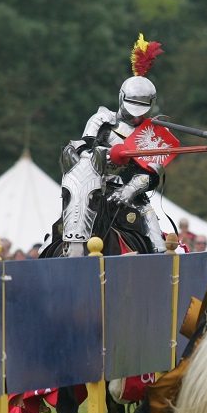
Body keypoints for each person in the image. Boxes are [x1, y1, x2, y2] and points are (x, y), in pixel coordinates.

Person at [60, 34, 167, 257]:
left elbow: (152, 174)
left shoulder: (153, 135)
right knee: (62, 227)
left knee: (157, 241)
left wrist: (129, 191)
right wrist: (104, 155)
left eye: (142, 107)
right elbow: (84, 149)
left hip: (130, 197)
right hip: (94, 189)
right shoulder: (102, 120)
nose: (136, 113)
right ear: (121, 98)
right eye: (132, 105)